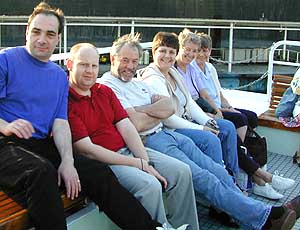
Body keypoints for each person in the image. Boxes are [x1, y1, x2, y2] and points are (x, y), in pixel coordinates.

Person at [99, 32, 300, 230]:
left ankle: (255, 213)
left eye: (134, 61)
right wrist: (153, 112)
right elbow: (136, 123)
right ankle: (265, 218)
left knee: (216, 170)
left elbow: (169, 106)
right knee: (204, 178)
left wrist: (144, 111)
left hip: (167, 134)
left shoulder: (136, 83)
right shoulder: (109, 85)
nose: (130, 66)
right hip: (150, 141)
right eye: (125, 60)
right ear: (113, 58)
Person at [0, 3, 169, 230]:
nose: (42, 39)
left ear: (58, 38)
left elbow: (60, 123)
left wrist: (68, 162)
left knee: (96, 170)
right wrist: (6, 125)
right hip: (5, 143)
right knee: (41, 174)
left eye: (50, 34)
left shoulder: (58, 76)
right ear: (27, 32)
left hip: (39, 144)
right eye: (36, 32)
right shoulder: (6, 60)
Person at [67, 42, 194, 230]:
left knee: (182, 171)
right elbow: (88, 150)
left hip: (128, 151)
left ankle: (185, 226)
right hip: (106, 161)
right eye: (83, 65)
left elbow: (126, 126)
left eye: (94, 65)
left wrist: (145, 162)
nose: (89, 71)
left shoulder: (104, 91)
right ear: (70, 65)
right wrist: (139, 164)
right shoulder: (66, 100)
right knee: (149, 185)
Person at [193, 32, 295, 200]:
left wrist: (230, 107)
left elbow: (219, 93)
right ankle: (255, 176)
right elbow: (203, 99)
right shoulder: (193, 70)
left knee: (251, 117)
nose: (203, 54)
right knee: (240, 120)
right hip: (210, 111)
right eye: (200, 50)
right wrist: (224, 111)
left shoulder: (210, 68)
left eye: (207, 50)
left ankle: (251, 167)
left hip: (219, 107)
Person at [144, 28, 239, 178]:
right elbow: (168, 118)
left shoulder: (173, 73)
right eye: (163, 51)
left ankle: (231, 175)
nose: (168, 56)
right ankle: (220, 181)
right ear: (153, 52)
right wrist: (201, 128)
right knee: (210, 139)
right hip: (171, 128)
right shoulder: (154, 79)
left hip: (186, 119)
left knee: (227, 126)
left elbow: (189, 101)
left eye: (171, 52)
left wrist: (207, 121)